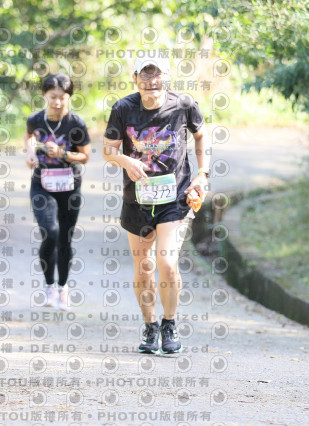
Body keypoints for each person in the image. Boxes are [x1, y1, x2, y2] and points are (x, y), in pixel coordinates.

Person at [102, 54, 210, 354]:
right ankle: (150, 327)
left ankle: (169, 323)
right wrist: (125, 161)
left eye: (157, 74)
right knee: (144, 269)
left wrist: (202, 173)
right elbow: (108, 150)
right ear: (135, 78)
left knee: (167, 262)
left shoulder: (183, 104)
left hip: (174, 198)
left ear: (167, 77)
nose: (151, 81)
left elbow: (201, 135)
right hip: (137, 199)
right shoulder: (123, 109)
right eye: (145, 75)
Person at [25, 73, 91, 310]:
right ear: (44, 95)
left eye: (62, 97)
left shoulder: (76, 124)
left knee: (65, 238)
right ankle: (48, 286)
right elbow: (30, 138)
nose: (57, 102)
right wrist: (30, 153)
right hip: (42, 184)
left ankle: (63, 288)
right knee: (50, 232)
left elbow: (85, 156)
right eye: (53, 97)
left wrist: (62, 154)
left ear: (69, 97)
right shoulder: (35, 120)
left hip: (69, 186)